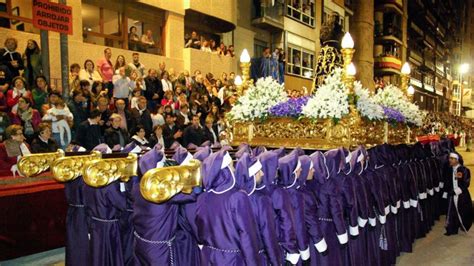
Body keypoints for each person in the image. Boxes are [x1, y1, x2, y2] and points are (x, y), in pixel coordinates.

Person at [195, 148, 261, 265]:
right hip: (232, 260)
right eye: (231, 166)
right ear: (225, 172)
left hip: (208, 258)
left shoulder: (202, 198)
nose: (234, 169)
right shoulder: (238, 197)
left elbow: (200, 230)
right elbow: (247, 235)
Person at [235, 153, 282, 265]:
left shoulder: (234, 197)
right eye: (258, 171)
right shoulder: (261, 200)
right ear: (251, 174)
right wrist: (276, 261)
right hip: (259, 257)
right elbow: (268, 234)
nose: (262, 173)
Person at [444, 152, 473, 235]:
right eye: (449, 158)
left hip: (462, 196)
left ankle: (464, 225)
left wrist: (456, 191)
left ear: (457, 160)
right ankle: (452, 229)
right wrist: (447, 192)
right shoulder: (449, 170)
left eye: (452, 159)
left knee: (463, 211)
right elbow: (447, 182)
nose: (449, 160)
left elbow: (466, 184)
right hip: (451, 195)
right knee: (451, 212)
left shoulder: (464, 170)